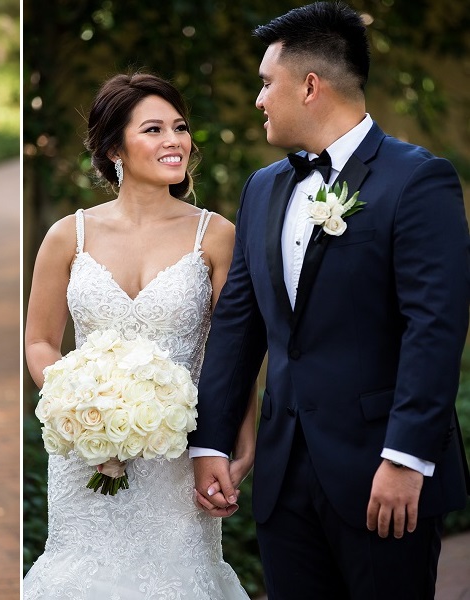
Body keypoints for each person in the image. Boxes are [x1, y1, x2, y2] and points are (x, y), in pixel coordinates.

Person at [190, 3, 470, 598]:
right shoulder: (263, 188)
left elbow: (436, 326)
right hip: (283, 478)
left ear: (310, 86)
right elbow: (239, 323)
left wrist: (406, 458)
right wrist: (211, 440)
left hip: (382, 476)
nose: (260, 99)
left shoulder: (418, 179)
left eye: (267, 83)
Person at [23, 72, 254, 599]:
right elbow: (40, 341)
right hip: (86, 451)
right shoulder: (68, 235)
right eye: (153, 129)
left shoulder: (215, 235)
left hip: (179, 455)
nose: (174, 141)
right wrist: (78, 401)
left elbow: (234, 350)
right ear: (114, 148)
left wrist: (237, 440)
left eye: (180, 127)